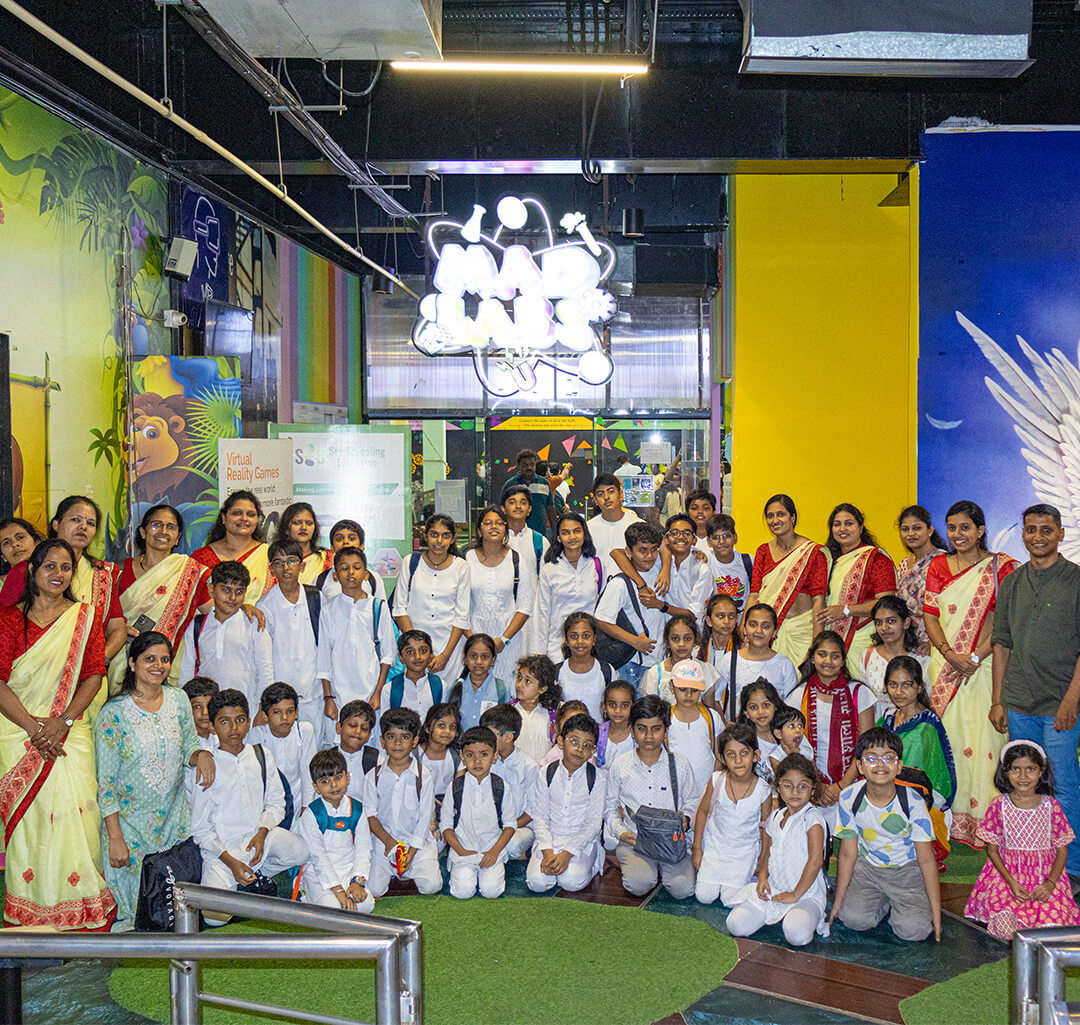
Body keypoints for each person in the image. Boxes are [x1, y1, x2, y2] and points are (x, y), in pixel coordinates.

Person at [0, 539, 113, 930]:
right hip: (18, 731)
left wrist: (61, 722)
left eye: (65, 568)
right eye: (50, 566)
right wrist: (35, 728)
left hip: (69, 730)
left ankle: (80, 909)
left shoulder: (84, 617)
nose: (58, 574)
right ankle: (31, 908)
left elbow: (94, 674)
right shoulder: (10, 621)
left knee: (76, 812)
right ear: (32, 570)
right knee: (31, 822)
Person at [95, 631, 214, 931]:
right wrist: (117, 839)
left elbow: (188, 744)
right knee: (138, 916)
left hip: (174, 823)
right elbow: (106, 784)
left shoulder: (178, 699)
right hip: (130, 831)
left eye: (164, 659)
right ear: (132, 663)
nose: (159, 666)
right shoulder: (114, 714)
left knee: (174, 915)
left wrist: (200, 755)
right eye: (150, 659)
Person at [991, 503, 1080, 877]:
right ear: (1023, 534)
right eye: (1031, 530)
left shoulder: (1076, 581)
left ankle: (1071, 871)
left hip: (1060, 703)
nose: (1038, 537)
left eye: (1046, 530)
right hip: (1018, 702)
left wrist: (1071, 702)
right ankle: (1030, 865)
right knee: (1024, 788)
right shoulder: (1012, 582)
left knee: (1063, 788)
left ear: (1060, 533)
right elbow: (1001, 644)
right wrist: (998, 700)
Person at [924, 499, 1017, 847]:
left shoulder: (1001, 568)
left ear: (980, 531)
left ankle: (987, 825)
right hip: (946, 666)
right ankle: (948, 826)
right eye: (952, 528)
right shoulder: (938, 566)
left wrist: (974, 658)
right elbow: (930, 614)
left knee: (985, 743)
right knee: (950, 739)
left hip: (986, 666)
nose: (958, 534)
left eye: (965, 527)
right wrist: (950, 654)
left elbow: (1004, 622)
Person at [190, 688, 308, 920]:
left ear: (248, 722)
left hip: (258, 843)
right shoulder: (207, 764)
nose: (234, 728)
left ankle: (257, 873)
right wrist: (231, 862)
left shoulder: (260, 754)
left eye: (240, 720)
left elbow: (277, 802)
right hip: (222, 854)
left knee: (299, 850)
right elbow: (200, 830)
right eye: (225, 721)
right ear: (213, 726)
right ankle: (240, 881)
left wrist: (262, 833)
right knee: (213, 917)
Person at [829, 726, 942, 943]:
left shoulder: (913, 802)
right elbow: (847, 854)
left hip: (907, 871)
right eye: (871, 758)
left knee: (914, 931)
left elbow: (927, 860)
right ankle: (883, 901)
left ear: (899, 766)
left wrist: (936, 916)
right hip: (868, 868)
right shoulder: (849, 798)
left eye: (888, 758)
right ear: (860, 766)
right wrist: (838, 902)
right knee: (853, 919)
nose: (880, 764)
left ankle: (901, 904)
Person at [964, 740, 1080, 939]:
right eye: (1015, 769)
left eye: (1030, 769)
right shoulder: (998, 805)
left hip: (1045, 878)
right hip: (1006, 878)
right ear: (1005, 771)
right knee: (1006, 930)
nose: (1023, 776)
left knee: (1053, 930)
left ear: (1041, 771)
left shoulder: (1051, 805)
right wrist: (1011, 883)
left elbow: (1062, 850)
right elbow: (992, 850)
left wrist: (1050, 884)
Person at [725, 753, 827, 947]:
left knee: (797, 935)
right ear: (779, 787)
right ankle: (775, 912)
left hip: (805, 894)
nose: (795, 792)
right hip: (776, 888)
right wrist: (763, 877)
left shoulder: (812, 819)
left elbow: (815, 861)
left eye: (802, 786)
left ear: (812, 789)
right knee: (735, 925)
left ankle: (800, 914)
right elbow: (768, 853)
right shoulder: (777, 816)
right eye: (788, 785)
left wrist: (795, 895)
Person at [605, 695, 699, 899]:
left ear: (666, 731)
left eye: (656, 729)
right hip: (635, 841)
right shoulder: (620, 765)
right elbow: (610, 807)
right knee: (638, 885)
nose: (649, 736)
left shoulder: (680, 764)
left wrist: (687, 818)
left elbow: (692, 800)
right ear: (632, 730)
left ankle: (664, 870)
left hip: (671, 842)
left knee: (683, 890)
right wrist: (621, 833)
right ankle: (642, 868)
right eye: (641, 729)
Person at [114, 505, 210, 691]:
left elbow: (216, 611)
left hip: (166, 666)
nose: (163, 531)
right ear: (143, 532)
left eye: (171, 527)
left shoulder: (190, 573)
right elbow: (101, 618)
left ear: (178, 537)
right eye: (156, 525)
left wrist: (245, 608)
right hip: (122, 662)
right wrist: (118, 630)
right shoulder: (118, 571)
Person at [787, 631, 877, 817]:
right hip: (811, 783)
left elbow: (867, 745)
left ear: (843, 661)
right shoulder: (799, 695)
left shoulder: (859, 693)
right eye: (822, 654)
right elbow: (793, 745)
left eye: (835, 656)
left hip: (853, 781)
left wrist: (842, 785)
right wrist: (816, 784)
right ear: (812, 658)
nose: (828, 661)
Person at [362, 707, 442, 897]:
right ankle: (395, 873)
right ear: (382, 741)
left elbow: (424, 817)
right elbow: (370, 815)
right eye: (391, 737)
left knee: (432, 886)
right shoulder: (372, 776)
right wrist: (390, 842)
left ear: (415, 741)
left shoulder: (424, 775)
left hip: (416, 842)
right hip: (384, 841)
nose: (398, 743)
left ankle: (410, 870)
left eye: (405, 737)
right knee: (374, 889)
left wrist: (412, 850)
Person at [178, 560, 275, 714]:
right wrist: (184, 709)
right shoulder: (198, 625)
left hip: (246, 710)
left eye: (239, 591)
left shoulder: (253, 624)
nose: (232, 597)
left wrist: (263, 711)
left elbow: (266, 671)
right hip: (207, 714)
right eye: (226, 590)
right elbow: (187, 671)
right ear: (211, 590)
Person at [527, 712, 607, 893]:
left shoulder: (597, 778)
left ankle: (592, 865)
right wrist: (548, 851)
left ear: (593, 750)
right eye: (574, 741)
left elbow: (593, 825)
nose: (579, 749)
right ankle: (549, 861)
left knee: (570, 882)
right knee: (537, 883)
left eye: (586, 745)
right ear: (561, 742)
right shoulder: (546, 772)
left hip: (580, 844)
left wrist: (566, 854)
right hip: (549, 840)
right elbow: (539, 816)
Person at [692, 723, 771, 905]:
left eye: (744, 753)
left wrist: (763, 860)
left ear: (755, 756)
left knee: (731, 900)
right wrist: (697, 849)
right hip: (715, 849)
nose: (738, 760)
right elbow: (703, 812)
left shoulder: (763, 789)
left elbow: (766, 827)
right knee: (703, 897)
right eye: (731, 755)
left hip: (743, 853)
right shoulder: (717, 780)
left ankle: (759, 887)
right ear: (722, 758)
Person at [747, 494, 827, 668]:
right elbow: (754, 593)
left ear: (793, 517)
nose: (775, 520)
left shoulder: (812, 553)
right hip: (768, 633)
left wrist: (817, 640)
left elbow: (819, 600)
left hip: (803, 633)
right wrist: (745, 626)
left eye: (781, 514)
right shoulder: (763, 551)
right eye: (770, 516)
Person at [818, 503, 897, 676]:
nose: (842, 528)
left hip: (863, 638)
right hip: (833, 639)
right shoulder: (831, 561)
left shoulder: (876, 558)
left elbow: (887, 604)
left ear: (860, 527)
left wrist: (846, 610)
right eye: (837, 524)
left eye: (849, 523)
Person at [441, 725, 519, 898]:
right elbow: (446, 825)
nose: (477, 761)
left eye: (484, 754)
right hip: (463, 850)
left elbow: (510, 825)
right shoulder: (454, 787)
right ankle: (459, 870)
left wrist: (494, 852)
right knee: (462, 892)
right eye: (470, 755)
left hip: (491, 851)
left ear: (494, 756)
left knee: (491, 891)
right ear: (462, 757)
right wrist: (460, 850)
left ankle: (492, 871)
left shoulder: (501, 787)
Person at [392, 514, 471, 687]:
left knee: (446, 706)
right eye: (434, 534)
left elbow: (461, 617)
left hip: (448, 651)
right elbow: (399, 609)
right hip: (414, 654)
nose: (439, 541)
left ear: (453, 538)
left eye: (445, 535)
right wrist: (416, 651)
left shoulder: (461, 567)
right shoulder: (410, 562)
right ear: (426, 536)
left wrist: (444, 655)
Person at [317, 546, 394, 717]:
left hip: (370, 692)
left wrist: (378, 692)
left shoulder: (378, 607)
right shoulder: (328, 609)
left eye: (357, 567)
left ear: (366, 574)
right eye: (344, 568)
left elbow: (387, 655)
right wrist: (328, 698)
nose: (351, 572)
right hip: (338, 694)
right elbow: (323, 657)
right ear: (336, 576)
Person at [294, 749, 374, 912]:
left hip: (348, 871)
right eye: (325, 781)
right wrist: (338, 890)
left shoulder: (357, 809)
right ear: (316, 787)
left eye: (338, 777)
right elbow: (318, 856)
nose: (333, 785)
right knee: (332, 908)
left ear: (348, 777)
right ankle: (307, 896)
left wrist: (357, 882)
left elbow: (363, 849)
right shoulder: (312, 814)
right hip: (319, 875)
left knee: (366, 904)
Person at [258, 539, 323, 739]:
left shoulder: (316, 597)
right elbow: (264, 659)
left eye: (292, 561)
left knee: (315, 750)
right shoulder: (264, 606)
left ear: (302, 566)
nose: (286, 567)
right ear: (271, 569)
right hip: (281, 702)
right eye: (279, 562)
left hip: (314, 694)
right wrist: (269, 697)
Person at [878, 655, 956, 814]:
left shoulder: (927, 724)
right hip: (885, 793)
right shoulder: (887, 717)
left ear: (920, 687)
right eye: (893, 685)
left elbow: (937, 774)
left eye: (906, 685)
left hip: (917, 800)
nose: (898, 692)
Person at [465, 506, 535, 682]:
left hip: (507, 643)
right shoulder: (467, 559)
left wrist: (503, 639)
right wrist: (473, 641)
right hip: (473, 641)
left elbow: (524, 606)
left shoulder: (517, 560)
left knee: (506, 692)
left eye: (498, 523)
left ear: (505, 528)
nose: (493, 527)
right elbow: (457, 605)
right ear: (479, 531)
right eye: (487, 523)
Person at [594, 521, 667, 690]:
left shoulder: (658, 569)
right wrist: (634, 641)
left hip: (659, 662)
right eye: (642, 550)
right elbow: (601, 620)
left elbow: (667, 549)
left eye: (653, 549)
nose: (649, 555)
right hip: (633, 663)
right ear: (629, 551)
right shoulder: (619, 584)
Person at [535, 512, 603, 662]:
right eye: (566, 532)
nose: (572, 536)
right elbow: (542, 613)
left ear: (584, 534)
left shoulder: (596, 566)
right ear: (559, 538)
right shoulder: (549, 569)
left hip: (588, 647)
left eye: (577, 531)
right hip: (556, 648)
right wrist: (540, 654)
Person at [249, 682, 318, 825]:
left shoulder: (304, 731)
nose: (285, 717)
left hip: (299, 803)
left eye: (290, 711)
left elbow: (307, 772)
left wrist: (306, 808)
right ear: (265, 715)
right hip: (268, 806)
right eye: (277, 712)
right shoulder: (257, 735)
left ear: (297, 712)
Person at [713, 603, 797, 719]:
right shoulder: (730, 659)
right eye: (753, 625)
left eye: (766, 626)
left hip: (772, 734)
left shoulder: (784, 664)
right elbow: (714, 696)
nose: (759, 630)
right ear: (744, 628)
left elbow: (792, 706)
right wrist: (725, 725)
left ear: (774, 632)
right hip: (739, 734)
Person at [191, 490, 275, 605]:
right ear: (224, 518)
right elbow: (195, 602)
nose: (244, 518)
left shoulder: (269, 556)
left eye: (251, 514)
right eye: (237, 513)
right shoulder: (200, 558)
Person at [480, 703, 539, 860]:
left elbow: (532, 811)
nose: (484, 739)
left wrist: (506, 827)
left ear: (508, 737)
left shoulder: (529, 766)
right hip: (488, 824)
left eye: (490, 734)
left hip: (520, 827)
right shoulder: (483, 760)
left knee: (511, 844)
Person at [860, 595, 930, 718]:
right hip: (878, 731)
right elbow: (865, 703)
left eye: (891, 621)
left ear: (906, 623)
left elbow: (928, 700)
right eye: (879, 623)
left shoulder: (921, 659)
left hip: (912, 731)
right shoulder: (868, 657)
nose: (884, 628)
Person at [667, 660, 725, 792]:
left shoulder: (712, 717)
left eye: (694, 690)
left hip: (707, 788)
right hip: (674, 789)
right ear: (671, 687)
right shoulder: (665, 718)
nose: (688, 695)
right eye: (682, 689)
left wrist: (712, 786)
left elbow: (720, 755)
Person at [895, 505, 946, 653]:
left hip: (935, 642)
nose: (911, 534)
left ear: (930, 530)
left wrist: (933, 643)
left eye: (917, 528)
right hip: (907, 641)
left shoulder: (943, 561)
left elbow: (948, 607)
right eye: (905, 529)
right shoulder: (904, 564)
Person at [640, 614, 717, 705]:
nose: (681, 644)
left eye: (687, 638)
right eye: (675, 639)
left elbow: (710, 712)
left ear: (695, 640)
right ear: (667, 641)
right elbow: (651, 713)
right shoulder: (655, 674)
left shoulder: (705, 670)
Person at [555, 612, 612, 721]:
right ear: (566, 640)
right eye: (574, 636)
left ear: (594, 639)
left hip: (598, 736)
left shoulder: (606, 671)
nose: (580, 641)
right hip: (568, 735)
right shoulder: (557, 672)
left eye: (586, 636)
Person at [317, 520, 388, 602]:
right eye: (339, 539)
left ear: (361, 546)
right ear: (332, 548)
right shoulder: (321, 580)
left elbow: (381, 610)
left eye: (351, 538)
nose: (346, 542)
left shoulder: (373, 579)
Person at [448, 634, 508, 731]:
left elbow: (505, 725)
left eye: (484, 657)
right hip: (459, 745)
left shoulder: (501, 689)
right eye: (473, 656)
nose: (478, 661)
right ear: (465, 659)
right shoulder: (455, 687)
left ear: (493, 660)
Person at [586, 474, 641, 579]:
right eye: (600, 494)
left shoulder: (638, 525)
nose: (606, 497)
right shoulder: (588, 529)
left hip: (631, 587)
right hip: (598, 589)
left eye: (611, 491)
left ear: (621, 494)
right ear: (595, 500)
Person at [418, 702, 462, 834]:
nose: (447, 732)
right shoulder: (414, 756)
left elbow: (458, 794)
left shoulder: (457, 756)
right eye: (441, 726)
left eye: (452, 727)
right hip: (419, 811)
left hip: (446, 811)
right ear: (427, 728)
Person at [511, 654, 561, 764]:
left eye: (527, 681)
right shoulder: (507, 712)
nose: (520, 685)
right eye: (519, 677)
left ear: (543, 688)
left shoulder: (552, 716)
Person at [737, 679, 788, 784]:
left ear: (775, 706)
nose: (760, 712)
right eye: (753, 707)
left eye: (766, 705)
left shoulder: (791, 733)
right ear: (746, 713)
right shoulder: (742, 742)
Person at [384, 630, 444, 720]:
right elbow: (384, 724)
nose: (417, 657)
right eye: (410, 652)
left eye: (423, 651)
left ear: (431, 655)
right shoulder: (390, 689)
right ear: (401, 658)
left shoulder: (440, 686)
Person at [704, 514, 754, 613]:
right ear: (709, 542)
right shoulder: (706, 563)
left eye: (726, 536)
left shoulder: (749, 561)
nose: (721, 541)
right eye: (716, 537)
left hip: (743, 623)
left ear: (735, 538)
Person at [501, 449, 556, 536]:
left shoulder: (544, 483)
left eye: (532, 464)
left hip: (540, 534)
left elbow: (550, 508)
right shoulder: (510, 485)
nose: (529, 468)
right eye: (525, 465)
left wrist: (555, 532)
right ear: (519, 466)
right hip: (514, 535)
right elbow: (502, 511)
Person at [278, 501, 333, 585]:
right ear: (286, 529)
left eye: (309, 523)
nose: (303, 527)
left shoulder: (327, 557)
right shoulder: (276, 560)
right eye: (297, 523)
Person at [335, 700, 379, 800]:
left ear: (369, 735)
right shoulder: (326, 760)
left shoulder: (377, 761)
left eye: (364, 728)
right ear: (339, 728)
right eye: (352, 725)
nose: (357, 731)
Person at [502, 485, 550, 574]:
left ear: (529, 509)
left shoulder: (541, 542)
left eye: (523, 503)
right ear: (503, 509)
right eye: (512, 502)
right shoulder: (497, 540)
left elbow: (546, 579)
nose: (518, 506)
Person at [597, 679, 635, 768]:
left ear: (633, 707)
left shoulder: (637, 736)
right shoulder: (596, 733)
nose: (618, 711)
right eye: (612, 705)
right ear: (604, 706)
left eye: (625, 705)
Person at [697, 594, 740, 672]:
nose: (726, 621)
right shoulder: (697, 652)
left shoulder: (744, 651)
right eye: (720, 616)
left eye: (731, 617)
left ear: (736, 621)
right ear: (709, 621)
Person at [0, 517, 40, 587]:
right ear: (3, 557)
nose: (14, 544)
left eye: (20, 537)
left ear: (36, 543)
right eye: (6, 543)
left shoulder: (53, 576)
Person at [685, 488, 717, 553]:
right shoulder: (681, 540)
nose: (700, 512)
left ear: (713, 512)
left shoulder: (721, 541)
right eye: (694, 508)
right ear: (687, 512)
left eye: (706, 508)